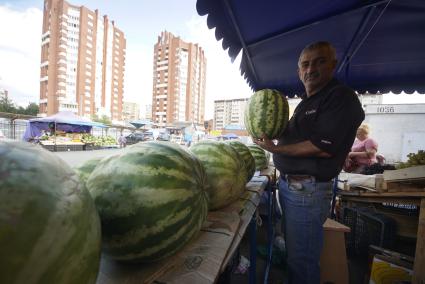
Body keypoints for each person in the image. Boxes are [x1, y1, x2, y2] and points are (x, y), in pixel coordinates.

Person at [253, 41, 365, 284]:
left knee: (301, 261)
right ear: (298, 71)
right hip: (295, 188)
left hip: (306, 191)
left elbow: (322, 146)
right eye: (305, 64)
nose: (311, 69)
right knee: (297, 253)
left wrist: (275, 148)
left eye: (319, 61)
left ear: (332, 65)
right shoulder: (308, 101)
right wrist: (271, 133)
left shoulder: (340, 97)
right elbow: (298, 137)